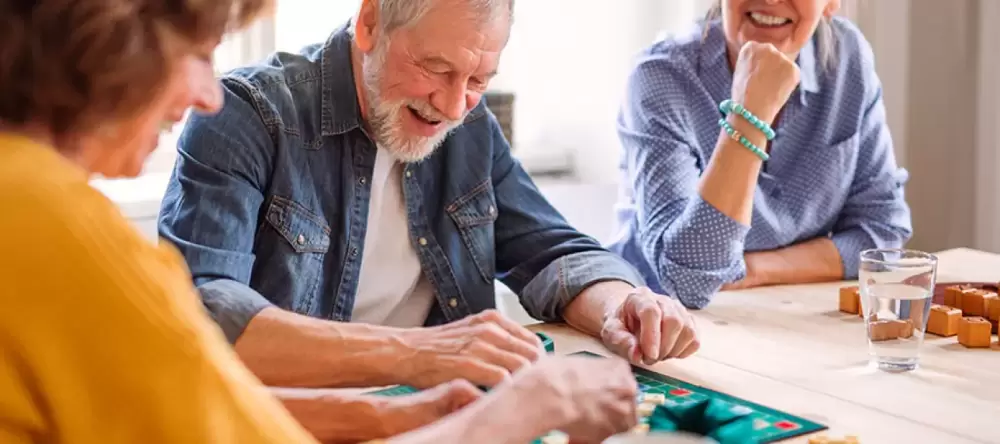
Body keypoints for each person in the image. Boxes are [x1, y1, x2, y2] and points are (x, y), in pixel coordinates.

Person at [0, 0, 642, 443]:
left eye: (477, 79)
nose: (206, 92)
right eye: (198, 54)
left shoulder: (31, 198)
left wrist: (394, 417)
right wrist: (529, 405)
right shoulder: (62, 225)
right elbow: (217, 355)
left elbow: (192, 403)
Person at [156, 0, 700, 394]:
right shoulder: (246, 114)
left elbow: (550, 250)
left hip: (439, 412)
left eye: (479, 80)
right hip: (299, 419)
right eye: (436, 69)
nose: (456, 104)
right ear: (369, 23)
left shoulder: (469, 126)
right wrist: (417, 355)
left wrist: (621, 304)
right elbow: (207, 313)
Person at [607, 0, 913, 309]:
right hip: (652, 322)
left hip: (779, 312)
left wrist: (751, 269)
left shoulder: (846, 56)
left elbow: (882, 235)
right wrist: (749, 116)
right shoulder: (660, 75)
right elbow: (689, 283)